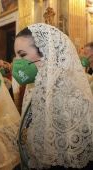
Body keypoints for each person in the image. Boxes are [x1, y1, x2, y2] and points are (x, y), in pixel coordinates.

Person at [12, 23, 93, 169]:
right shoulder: (35, 93)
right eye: (15, 55)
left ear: (47, 54)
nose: (16, 61)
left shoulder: (73, 103)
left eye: (22, 55)